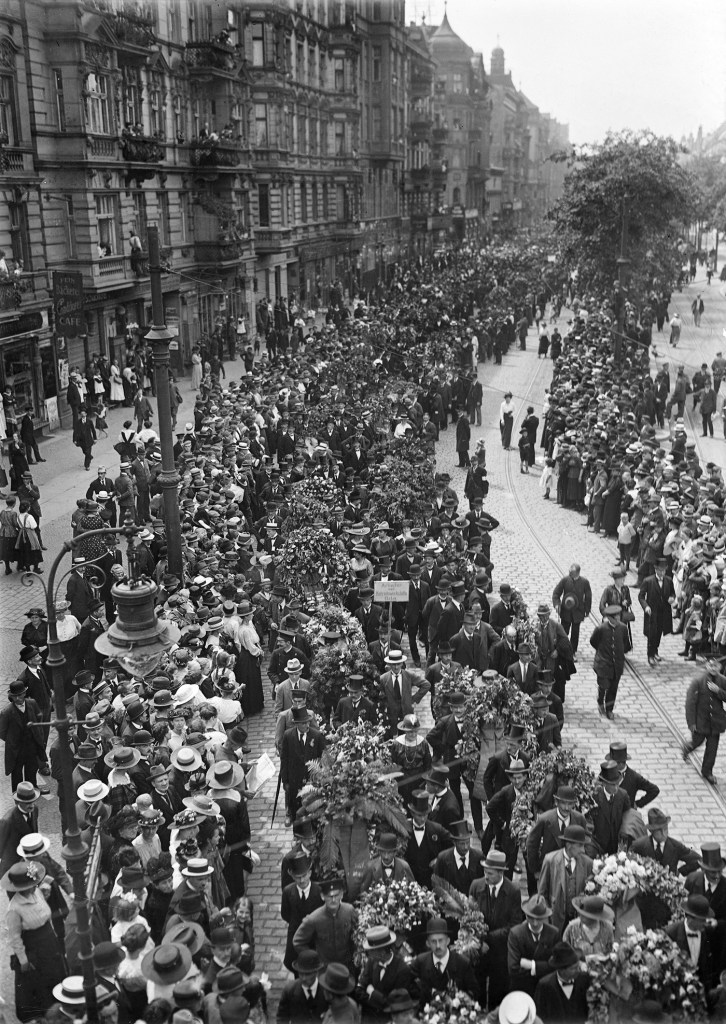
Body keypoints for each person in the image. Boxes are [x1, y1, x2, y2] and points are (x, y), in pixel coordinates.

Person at [3, 860, 67, 1021]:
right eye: (31, 885)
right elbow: (14, 937)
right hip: (34, 948)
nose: (34, 886)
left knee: (57, 973)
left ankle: (62, 1008)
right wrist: (23, 960)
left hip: (49, 941)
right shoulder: (14, 908)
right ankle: (48, 1016)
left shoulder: (37, 892)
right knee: (41, 984)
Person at [682, 662, 726, 785]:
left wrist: (718, 691)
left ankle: (707, 771)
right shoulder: (698, 681)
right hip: (701, 721)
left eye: (716, 666)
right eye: (711, 665)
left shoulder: (723, 681)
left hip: (716, 723)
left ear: (720, 667)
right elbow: (690, 704)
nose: (713, 668)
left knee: (712, 749)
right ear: (706, 666)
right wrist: (691, 723)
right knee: (697, 742)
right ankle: (687, 748)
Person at [590, 604, 631, 720]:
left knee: (613, 688)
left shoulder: (623, 628)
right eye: (615, 617)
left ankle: (609, 709)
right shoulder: (601, 629)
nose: (618, 618)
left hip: (617, 664)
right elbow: (593, 641)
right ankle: (600, 701)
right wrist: (602, 652)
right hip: (603, 664)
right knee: (603, 685)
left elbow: (626, 644)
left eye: (618, 616)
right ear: (609, 618)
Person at [552, 564, 592, 656]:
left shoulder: (584, 582)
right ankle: (560, 649)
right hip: (566, 612)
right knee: (563, 631)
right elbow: (556, 593)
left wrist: (587, 610)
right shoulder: (565, 580)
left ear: (577, 573)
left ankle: (572, 651)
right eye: (569, 572)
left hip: (578, 612)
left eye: (572, 573)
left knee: (575, 633)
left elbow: (588, 597)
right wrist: (557, 605)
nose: (570, 574)